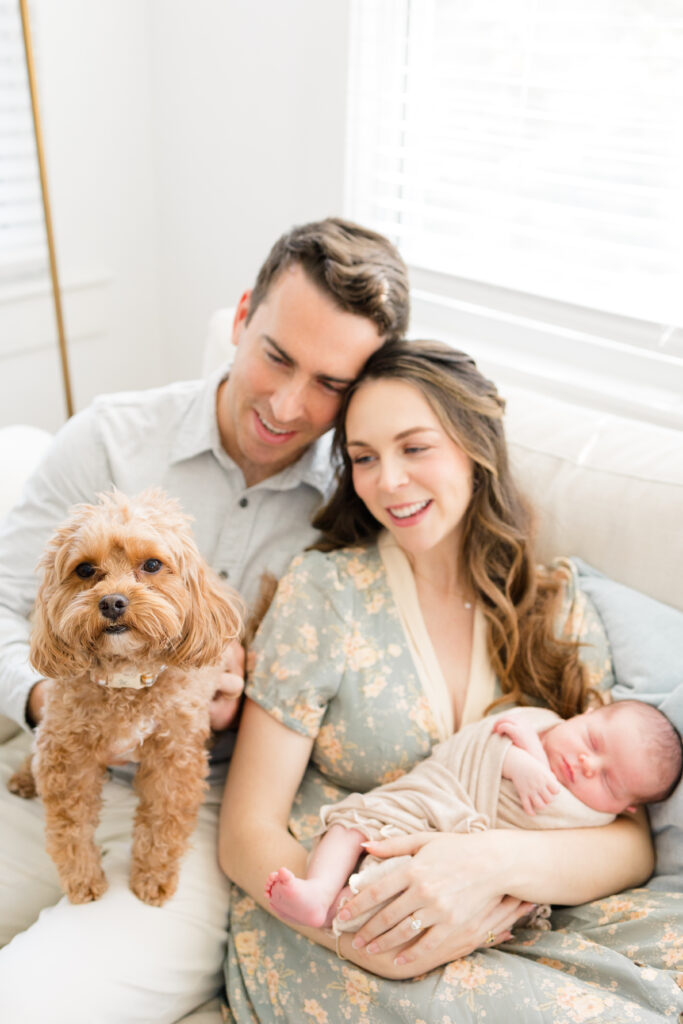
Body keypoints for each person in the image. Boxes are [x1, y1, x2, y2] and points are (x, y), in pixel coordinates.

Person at [0, 218, 410, 1024]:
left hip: (199, 810)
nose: (289, 406)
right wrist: (49, 705)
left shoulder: (359, 509)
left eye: (330, 383)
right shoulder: (109, 442)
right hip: (48, 766)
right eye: (276, 356)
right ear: (240, 316)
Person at [219, 340, 654, 1022]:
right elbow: (246, 829)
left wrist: (485, 865)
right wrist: (362, 935)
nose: (387, 481)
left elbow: (630, 841)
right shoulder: (328, 593)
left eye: (414, 448)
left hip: (513, 907)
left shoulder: (552, 603)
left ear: (474, 447)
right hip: (340, 924)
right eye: (363, 457)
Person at [264, 700, 682, 931]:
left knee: (412, 889)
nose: (588, 763)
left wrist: (528, 760)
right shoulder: (537, 718)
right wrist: (517, 759)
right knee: (355, 820)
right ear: (588, 710)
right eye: (592, 740)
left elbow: (546, 819)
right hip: (433, 794)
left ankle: (342, 909)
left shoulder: (592, 820)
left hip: (466, 853)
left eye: (608, 780)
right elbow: (483, 741)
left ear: (626, 809)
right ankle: (319, 891)